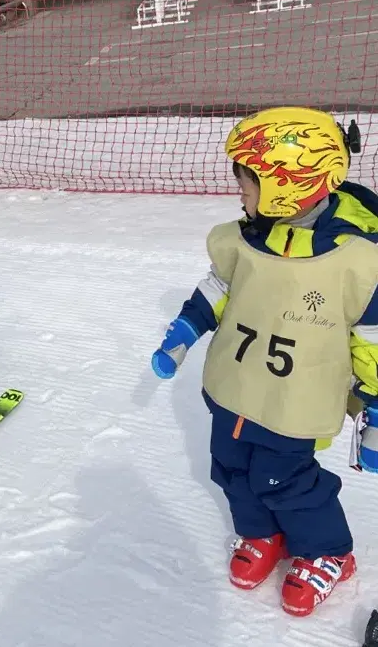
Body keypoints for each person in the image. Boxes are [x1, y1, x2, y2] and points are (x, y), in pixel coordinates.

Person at [151, 106, 378, 617]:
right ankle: (260, 532)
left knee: (284, 479)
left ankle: (328, 551)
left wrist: (375, 412)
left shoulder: (359, 262)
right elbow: (219, 288)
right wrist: (183, 333)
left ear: (287, 186)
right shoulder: (247, 239)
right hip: (235, 386)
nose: (240, 194)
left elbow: (373, 343)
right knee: (230, 468)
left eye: (249, 184)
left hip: (295, 399)